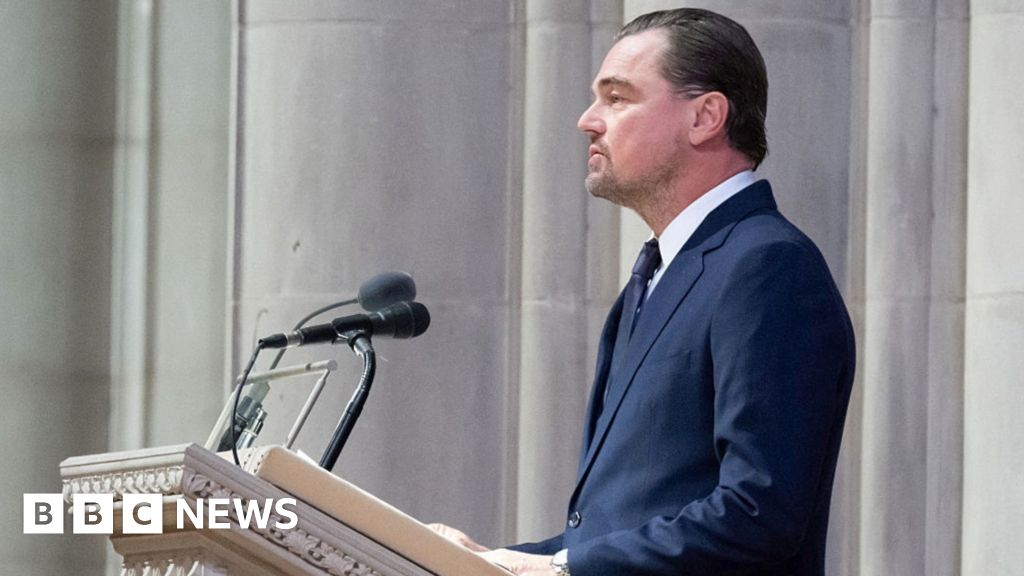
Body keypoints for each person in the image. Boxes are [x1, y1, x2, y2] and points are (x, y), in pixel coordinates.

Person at [432, 8, 855, 576]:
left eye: (618, 98)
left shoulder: (768, 266)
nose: (588, 120)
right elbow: (618, 527)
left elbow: (759, 513)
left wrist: (558, 572)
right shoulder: (652, 279)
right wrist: (494, 562)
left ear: (706, 116)